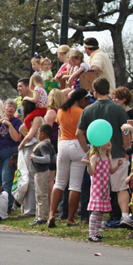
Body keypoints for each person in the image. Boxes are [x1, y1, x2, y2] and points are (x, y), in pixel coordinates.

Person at [77, 77, 130, 223]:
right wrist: (127, 149)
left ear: (94, 91)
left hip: (97, 156)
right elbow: (125, 131)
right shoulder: (119, 109)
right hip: (117, 152)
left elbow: (79, 133)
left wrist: (87, 151)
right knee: (121, 188)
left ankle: (97, 221)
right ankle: (125, 216)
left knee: (99, 190)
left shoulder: (88, 110)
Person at [48, 89, 91, 227]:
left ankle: (51, 215)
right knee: (75, 185)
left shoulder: (60, 110)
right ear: (82, 100)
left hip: (63, 144)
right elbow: (83, 133)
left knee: (59, 182)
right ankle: (70, 219)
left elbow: (60, 128)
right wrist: (88, 152)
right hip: (77, 145)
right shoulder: (82, 113)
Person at [87, 139, 125, 242]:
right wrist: (88, 165)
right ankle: (91, 233)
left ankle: (97, 232)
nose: (109, 143)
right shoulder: (95, 157)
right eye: (105, 141)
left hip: (105, 188)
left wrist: (118, 165)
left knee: (101, 212)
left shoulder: (108, 157)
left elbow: (111, 171)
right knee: (95, 211)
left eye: (109, 141)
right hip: (97, 188)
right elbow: (92, 172)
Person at [0, 99, 22, 213]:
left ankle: (6, 208)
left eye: (13, 107)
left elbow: (16, 138)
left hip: (9, 153)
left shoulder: (17, 122)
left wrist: (9, 125)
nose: (10, 108)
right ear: (4, 108)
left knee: (6, 181)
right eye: (8, 106)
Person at [29, 124, 56, 226]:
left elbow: (47, 159)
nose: (38, 135)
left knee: (41, 195)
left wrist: (34, 158)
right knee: (39, 194)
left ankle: (42, 217)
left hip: (41, 172)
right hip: (42, 172)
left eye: (38, 133)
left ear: (43, 134)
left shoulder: (44, 145)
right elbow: (54, 158)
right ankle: (39, 215)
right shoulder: (50, 145)